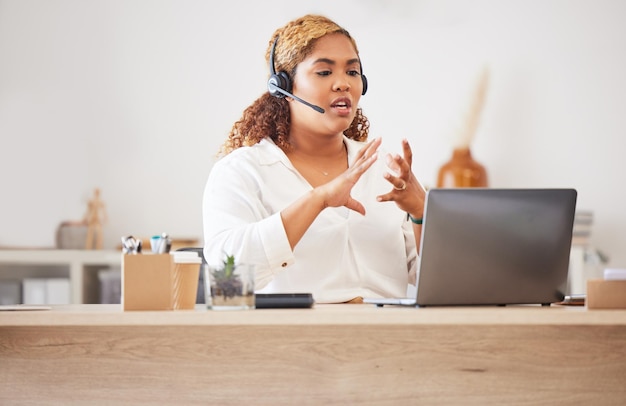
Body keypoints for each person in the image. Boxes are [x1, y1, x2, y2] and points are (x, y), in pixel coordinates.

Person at [203, 14, 426, 303]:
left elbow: (435, 278)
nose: (342, 84)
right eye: (324, 72)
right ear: (283, 86)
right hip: (292, 341)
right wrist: (317, 200)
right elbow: (227, 278)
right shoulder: (242, 172)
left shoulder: (383, 169)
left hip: (386, 340)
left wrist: (422, 213)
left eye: (352, 72)